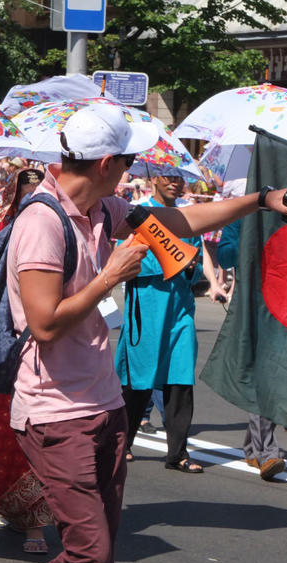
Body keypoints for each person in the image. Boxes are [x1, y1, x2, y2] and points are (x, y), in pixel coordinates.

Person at [0, 104, 287, 563]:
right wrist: (110, 275)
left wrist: (263, 199)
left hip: (103, 404)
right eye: (127, 160)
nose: (132, 169)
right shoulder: (41, 222)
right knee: (87, 553)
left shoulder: (105, 208)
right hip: (54, 412)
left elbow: (182, 223)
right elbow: (45, 323)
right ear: (106, 162)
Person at [115, 173, 227, 472]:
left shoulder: (186, 216)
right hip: (147, 306)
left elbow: (196, 252)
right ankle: (122, 443)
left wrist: (202, 275)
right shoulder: (136, 213)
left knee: (180, 379)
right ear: (154, 180)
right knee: (138, 381)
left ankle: (177, 453)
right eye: (167, 177)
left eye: (179, 178)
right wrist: (168, 258)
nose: (174, 183)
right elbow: (124, 257)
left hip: (180, 309)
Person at [0, 167, 54, 554]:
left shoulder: (56, 232)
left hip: (45, 341)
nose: (35, 196)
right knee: (6, 436)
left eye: (41, 190)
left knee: (41, 433)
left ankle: (37, 522)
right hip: (0, 345)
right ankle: (20, 509)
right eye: (27, 189)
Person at [216, 219, 287, 480]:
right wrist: (252, 239)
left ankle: (251, 447)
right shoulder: (241, 220)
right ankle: (268, 452)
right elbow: (225, 256)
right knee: (263, 378)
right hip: (253, 308)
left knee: (275, 379)